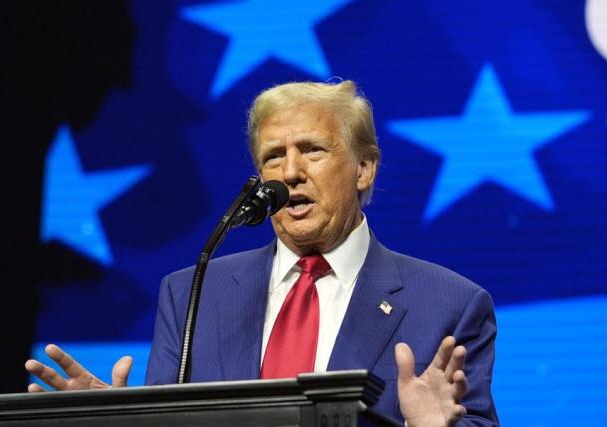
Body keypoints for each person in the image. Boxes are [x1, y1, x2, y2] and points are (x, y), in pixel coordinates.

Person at [26, 81, 499, 427]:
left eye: (312, 150)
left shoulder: (451, 304)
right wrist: (121, 424)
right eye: (273, 157)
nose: (289, 172)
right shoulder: (194, 290)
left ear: (364, 168)